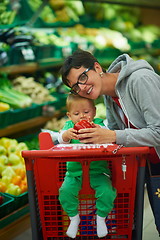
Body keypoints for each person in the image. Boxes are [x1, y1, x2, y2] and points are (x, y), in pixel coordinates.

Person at [60, 49, 160, 233]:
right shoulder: (108, 95)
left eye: (82, 77)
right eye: (75, 87)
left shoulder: (140, 80)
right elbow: (118, 133)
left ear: (97, 67)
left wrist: (112, 136)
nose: (81, 88)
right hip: (151, 164)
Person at [58, 94, 117, 239]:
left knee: (107, 192)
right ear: (69, 115)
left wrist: (98, 131)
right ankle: (73, 218)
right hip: (74, 173)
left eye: (86, 112)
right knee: (65, 192)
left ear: (94, 112)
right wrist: (66, 135)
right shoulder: (69, 126)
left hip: (98, 171)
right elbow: (60, 140)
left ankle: (101, 217)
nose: (82, 117)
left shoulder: (98, 124)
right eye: (76, 114)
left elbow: (108, 141)